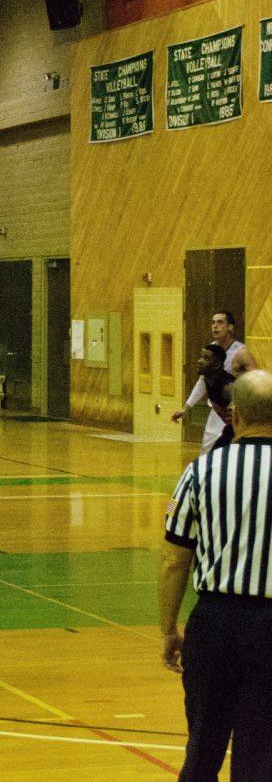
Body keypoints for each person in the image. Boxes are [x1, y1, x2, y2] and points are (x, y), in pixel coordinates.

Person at [160, 369, 272, 782]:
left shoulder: (200, 472)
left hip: (215, 623)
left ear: (234, 415)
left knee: (203, 746)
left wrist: (168, 628)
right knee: (262, 753)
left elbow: (174, 559)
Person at [174, 310, 258, 453]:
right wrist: (186, 408)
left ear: (230, 327)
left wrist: (240, 407)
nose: (215, 326)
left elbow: (256, 381)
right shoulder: (211, 350)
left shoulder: (241, 352)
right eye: (213, 322)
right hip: (217, 409)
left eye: (220, 322)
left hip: (235, 412)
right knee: (207, 450)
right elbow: (202, 381)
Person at [171, 345, 236, 455]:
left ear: (217, 364)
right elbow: (199, 388)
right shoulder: (207, 378)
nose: (199, 361)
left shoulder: (227, 386)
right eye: (200, 357)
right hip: (227, 425)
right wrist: (185, 409)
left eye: (206, 358)